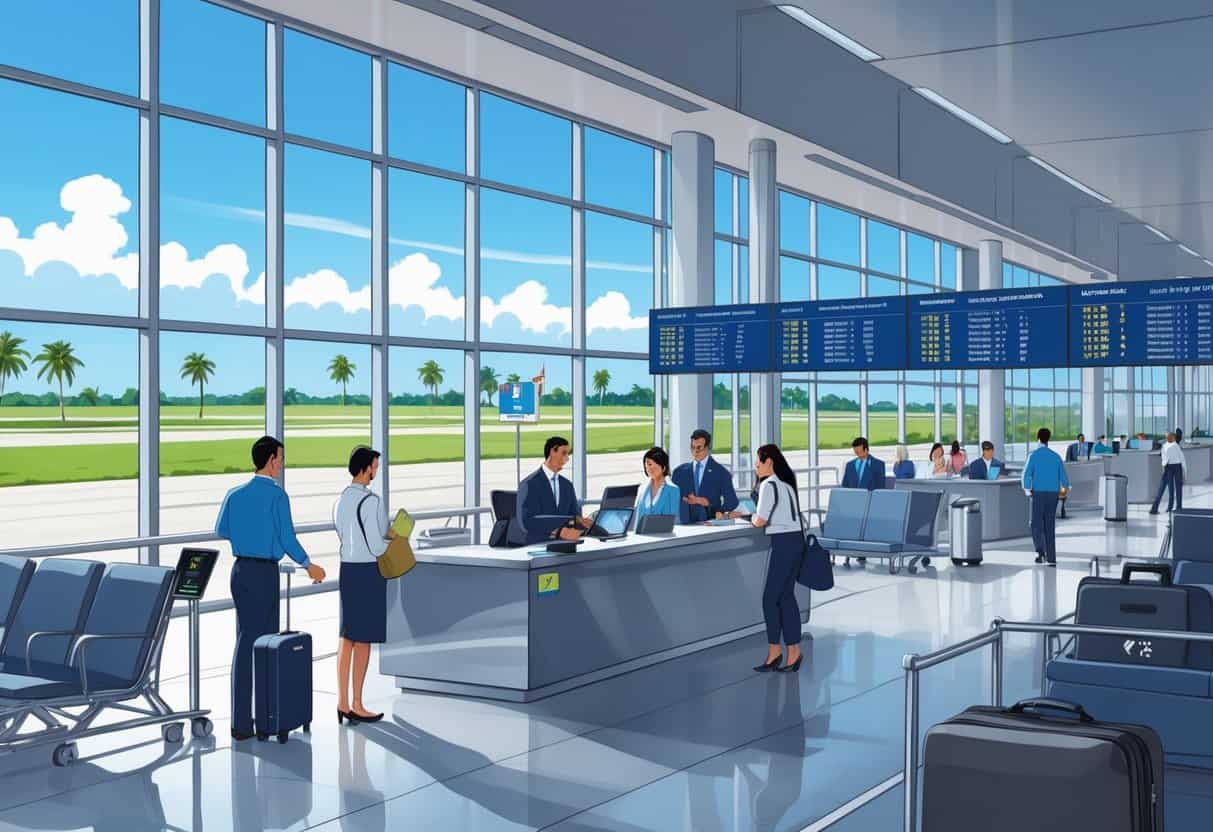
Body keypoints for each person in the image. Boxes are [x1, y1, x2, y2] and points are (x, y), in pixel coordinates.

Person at [215, 436, 326, 741]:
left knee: (245, 641)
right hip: (264, 574)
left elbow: (221, 529)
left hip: (240, 571)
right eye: (280, 458)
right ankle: (264, 720)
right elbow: (288, 538)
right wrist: (308, 565)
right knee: (265, 646)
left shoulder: (234, 494)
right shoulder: (277, 497)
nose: (282, 464)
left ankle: (241, 722)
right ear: (271, 460)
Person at [332, 446, 389, 726]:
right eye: (375, 466)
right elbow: (377, 546)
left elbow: (343, 533)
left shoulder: (341, 500)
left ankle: (342, 702)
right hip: (367, 571)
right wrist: (394, 541)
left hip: (347, 569)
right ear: (365, 467)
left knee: (347, 635)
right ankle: (357, 703)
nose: (376, 471)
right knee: (363, 638)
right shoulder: (372, 502)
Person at [751, 444, 805, 674]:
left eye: (757, 463)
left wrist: (748, 517)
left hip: (783, 543)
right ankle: (794, 652)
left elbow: (760, 520)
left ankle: (775, 651)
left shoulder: (769, 484)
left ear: (769, 462)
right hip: (796, 541)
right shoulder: (786, 484)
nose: (755, 467)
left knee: (769, 599)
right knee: (785, 598)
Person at [509, 436, 591, 545]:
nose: (567, 459)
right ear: (552, 451)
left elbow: (573, 517)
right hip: (537, 545)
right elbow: (527, 522)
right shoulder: (529, 484)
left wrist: (583, 524)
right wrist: (558, 532)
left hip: (566, 545)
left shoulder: (567, 485)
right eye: (564, 453)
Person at [1022, 428, 1069, 566]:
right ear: (1048, 439)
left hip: (1038, 493)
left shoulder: (1034, 456)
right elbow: (1064, 478)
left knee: (1036, 524)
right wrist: (1065, 488)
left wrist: (1028, 490)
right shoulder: (1056, 456)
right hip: (1053, 494)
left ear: (1038, 439)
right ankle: (1052, 557)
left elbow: (1027, 475)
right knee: (1050, 524)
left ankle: (1040, 552)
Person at [671, 429, 739, 523]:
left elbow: (732, 501)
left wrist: (709, 505)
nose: (695, 452)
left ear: (708, 447)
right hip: (683, 525)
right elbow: (671, 500)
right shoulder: (679, 472)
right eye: (693, 447)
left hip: (709, 525)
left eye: (699, 448)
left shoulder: (721, 473)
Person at [634, 446, 682, 525]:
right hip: (642, 535)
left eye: (653, 465)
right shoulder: (642, 489)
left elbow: (675, 521)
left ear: (663, 467)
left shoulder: (673, 490)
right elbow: (636, 517)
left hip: (664, 535)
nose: (649, 468)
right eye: (648, 464)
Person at [1150, 431, 1186, 514]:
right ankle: (1178, 508)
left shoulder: (1165, 446)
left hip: (1168, 467)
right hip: (1176, 467)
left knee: (1166, 488)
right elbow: (1183, 461)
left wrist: (1164, 467)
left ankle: (1163, 508)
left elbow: (1164, 459)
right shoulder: (1176, 446)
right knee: (1177, 488)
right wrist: (1185, 473)